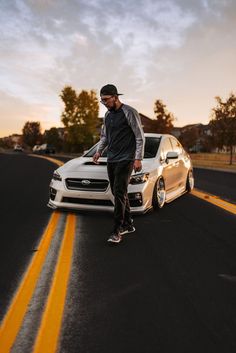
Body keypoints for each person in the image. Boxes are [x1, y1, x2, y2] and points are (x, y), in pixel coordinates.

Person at [93, 84, 145, 244]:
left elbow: (139, 136)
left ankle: (117, 231)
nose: (104, 103)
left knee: (119, 192)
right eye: (102, 101)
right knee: (118, 194)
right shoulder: (107, 116)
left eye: (106, 100)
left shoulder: (129, 112)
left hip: (127, 159)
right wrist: (99, 151)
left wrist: (138, 158)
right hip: (112, 159)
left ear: (115, 97)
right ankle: (128, 224)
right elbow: (105, 137)